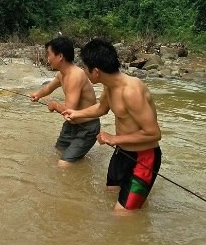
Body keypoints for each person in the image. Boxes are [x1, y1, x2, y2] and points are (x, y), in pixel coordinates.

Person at [62, 38, 162, 212]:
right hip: (122, 152)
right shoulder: (110, 86)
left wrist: (114, 138)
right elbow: (101, 108)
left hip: (144, 157)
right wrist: (77, 113)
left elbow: (153, 133)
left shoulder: (131, 92)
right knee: (110, 193)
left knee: (123, 215)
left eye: (86, 68)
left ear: (96, 71)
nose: (84, 71)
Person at [30, 36, 100, 167]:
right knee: (57, 153)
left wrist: (55, 105)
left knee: (63, 164)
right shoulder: (62, 74)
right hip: (71, 125)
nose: (48, 59)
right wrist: (37, 95)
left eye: (49, 54)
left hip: (87, 127)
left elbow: (69, 111)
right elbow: (49, 88)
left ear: (60, 56)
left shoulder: (75, 76)